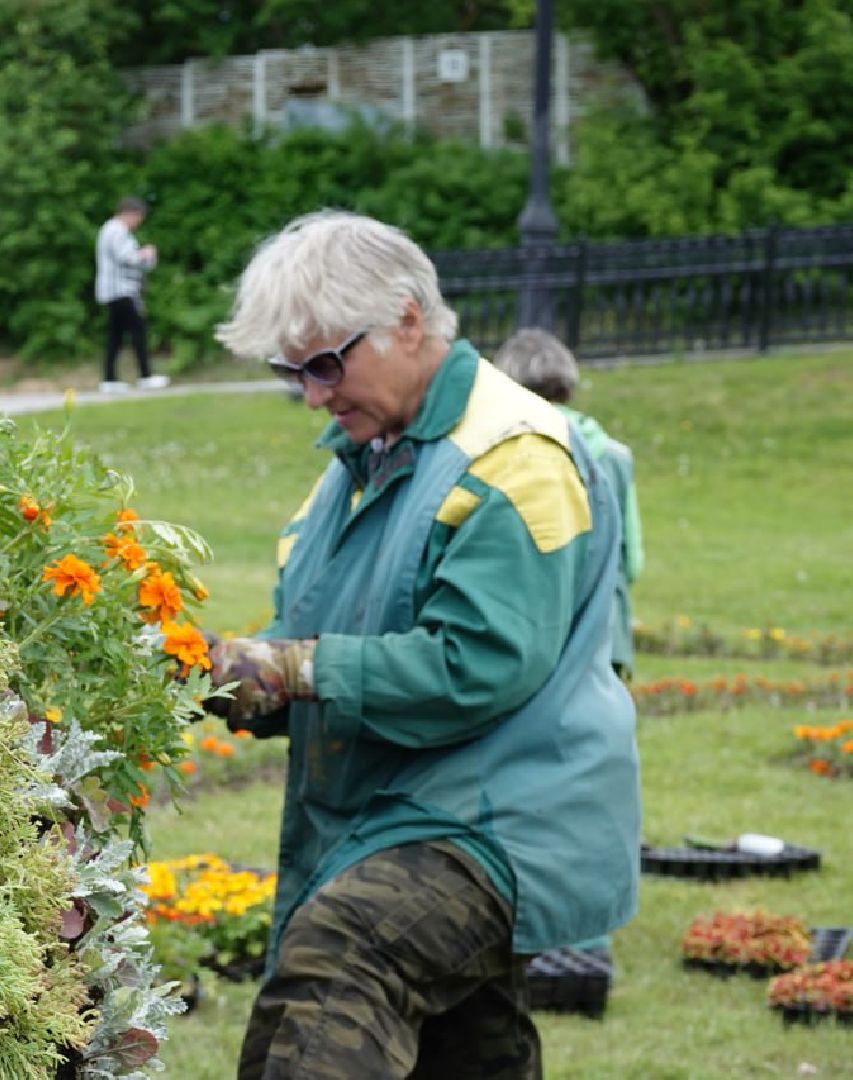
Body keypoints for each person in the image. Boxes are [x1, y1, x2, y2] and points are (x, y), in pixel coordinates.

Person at [205, 210, 641, 1080]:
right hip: (400, 815)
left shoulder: (514, 454)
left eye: (327, 363)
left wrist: (293, 670)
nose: (313, 396)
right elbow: (325, 648)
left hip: (498, 822)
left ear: (408, 319)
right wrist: (223, 679)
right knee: (469, 1054)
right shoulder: (354, 470)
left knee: (339, 963)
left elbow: (477, 664)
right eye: (292, 372)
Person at [494, 328, 644, 681]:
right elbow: (632, 561)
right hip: (607, 628)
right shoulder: (615, 456)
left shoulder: (507, 450)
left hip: (540, 632)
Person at [94, 195, 167, 393]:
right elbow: (126, 257)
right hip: (122, 291)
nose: (138, 223)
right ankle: (145, 376)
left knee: (115, 336)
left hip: (112, 291)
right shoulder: (117, 230)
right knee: (138, 331)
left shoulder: (109, 229)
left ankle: (109, 379)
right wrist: (145, 253)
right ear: (130, 214)